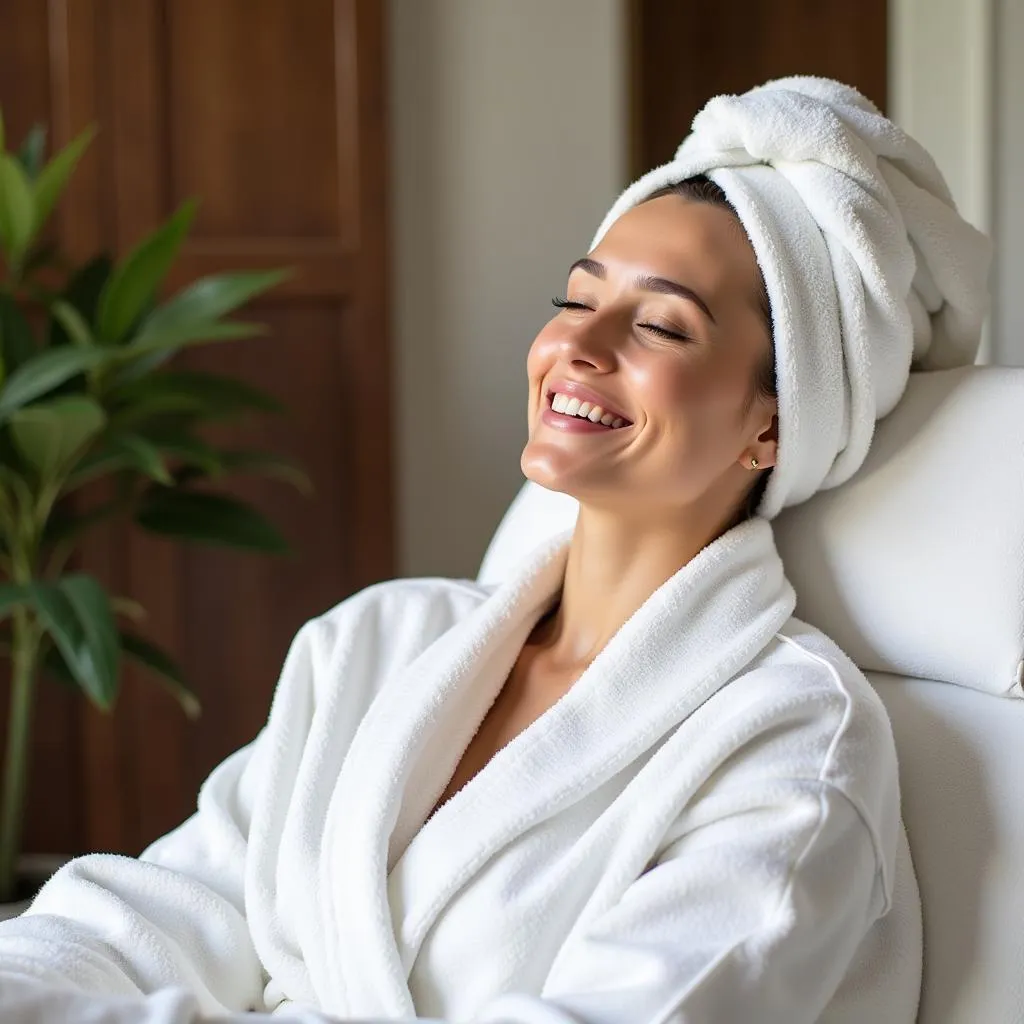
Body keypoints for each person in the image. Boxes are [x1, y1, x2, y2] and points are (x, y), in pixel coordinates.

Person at [0, 76, 990, 1024]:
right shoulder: (377, 643)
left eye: (657, 325)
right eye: (574, 297)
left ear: (770, 426)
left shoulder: (790, 747)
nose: (579, 344)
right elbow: (163, 912)